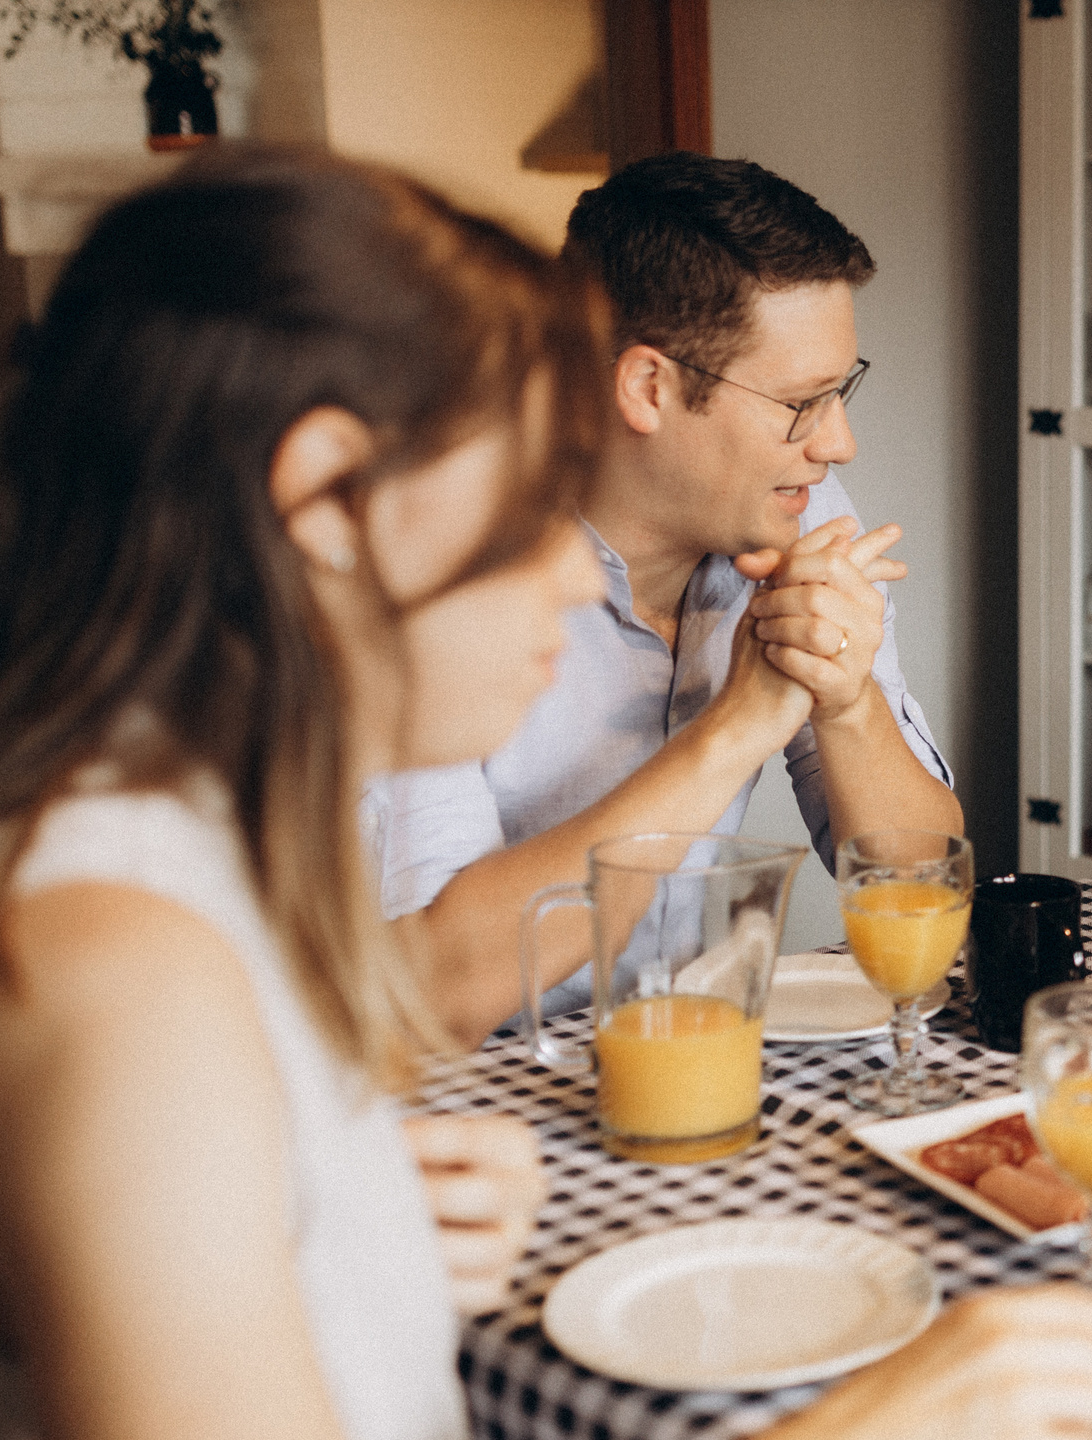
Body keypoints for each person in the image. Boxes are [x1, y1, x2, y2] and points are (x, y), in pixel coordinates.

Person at [0, 149, 1092, 1440]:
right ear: (326, 500)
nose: (570, 574)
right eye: (519, 499)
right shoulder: (115, 965)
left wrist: (335, 1214)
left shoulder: (139, 839)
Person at [369, 152, 962, 1044]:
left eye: (840, 392)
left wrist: (847, 705)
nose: (838, 442)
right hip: (487, 1090)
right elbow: (438, 993)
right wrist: (735, 728)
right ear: (648, 387)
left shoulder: (793, 507)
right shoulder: (443, 564)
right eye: (801, 403)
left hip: (696, 1055)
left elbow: (924, 889)